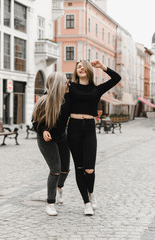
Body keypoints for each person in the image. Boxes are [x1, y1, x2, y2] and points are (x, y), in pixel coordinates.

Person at [67, 59, 121, 215]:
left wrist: (102, 67)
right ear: (76, 72)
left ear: (89, 70)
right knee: (79, 167)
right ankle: (86, 203)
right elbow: (53, 94)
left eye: (84, 66)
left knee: (89, 169)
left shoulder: (96, 89)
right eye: (78, 67)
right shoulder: (70, 87)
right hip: (74, 129)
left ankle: (91, 192)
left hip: (89, 129)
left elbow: (116, 78)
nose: (81, 68)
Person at [32, 72, 70, 216]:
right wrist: (43, 131)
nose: (68, 84)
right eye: (66, 82)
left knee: (65, 170)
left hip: (61, 138)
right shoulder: (44, 101)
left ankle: (59, 187)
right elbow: (35, 123)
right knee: (55, 170)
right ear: (59, 85)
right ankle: (50, 203)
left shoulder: (67, 100)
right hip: (46, 139)